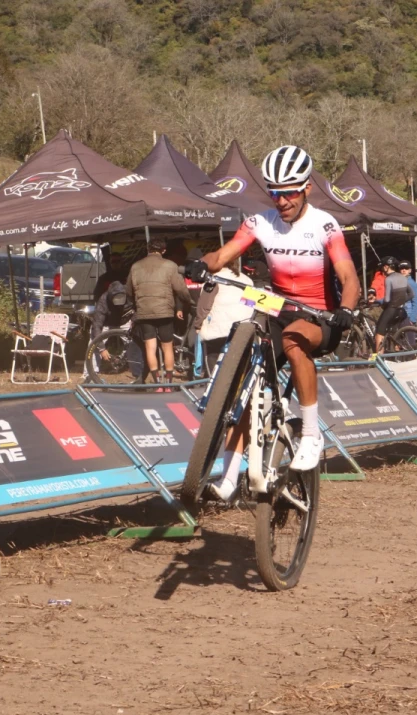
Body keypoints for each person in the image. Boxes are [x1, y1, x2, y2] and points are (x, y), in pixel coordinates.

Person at [191, 144, 360, 482]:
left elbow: (349, 276)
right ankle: (227, 477)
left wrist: (347, 308)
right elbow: (222, 256)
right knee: (246, 380)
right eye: (274, 193)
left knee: (294, 340)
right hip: (278, 307)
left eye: (289, 194)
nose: (281, 201)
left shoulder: (324, 224)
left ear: (307, 188)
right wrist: (201, 264)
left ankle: (311, 433)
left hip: (319, 315)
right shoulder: (259, 222)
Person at [126, 237, 194, 385]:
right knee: (167, 346)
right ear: (163, 250)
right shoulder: (170, 265)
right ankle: (168, 383)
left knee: (150, 347)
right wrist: (188, 301)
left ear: (148, 249)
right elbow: (180, 289)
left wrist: (137, 303)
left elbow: (128, 290)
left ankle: (157, 382)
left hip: (144, 311)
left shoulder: (136, 266)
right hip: (164, 311)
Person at [373, 257, 414, 352]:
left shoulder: (388, 279)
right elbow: (412, 294)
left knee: (379, 331)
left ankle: (379, 358)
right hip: (401, 310)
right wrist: (402, 300)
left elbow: (387, 299)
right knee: (393, 331)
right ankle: (396, 348)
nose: (383, 269)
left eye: (383, 267)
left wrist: (378, 301)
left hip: (392, 309)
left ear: (386, 267)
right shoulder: (403, 277)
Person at [399, 260, 417, 327]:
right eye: (402, 268)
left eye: (406, 268)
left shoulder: (411, 283)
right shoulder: (398, 282)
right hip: (400, 316)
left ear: (410, 270)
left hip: (408, 316)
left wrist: (412, 319)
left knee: (409, 337)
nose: (404, 270)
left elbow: (416, 302)